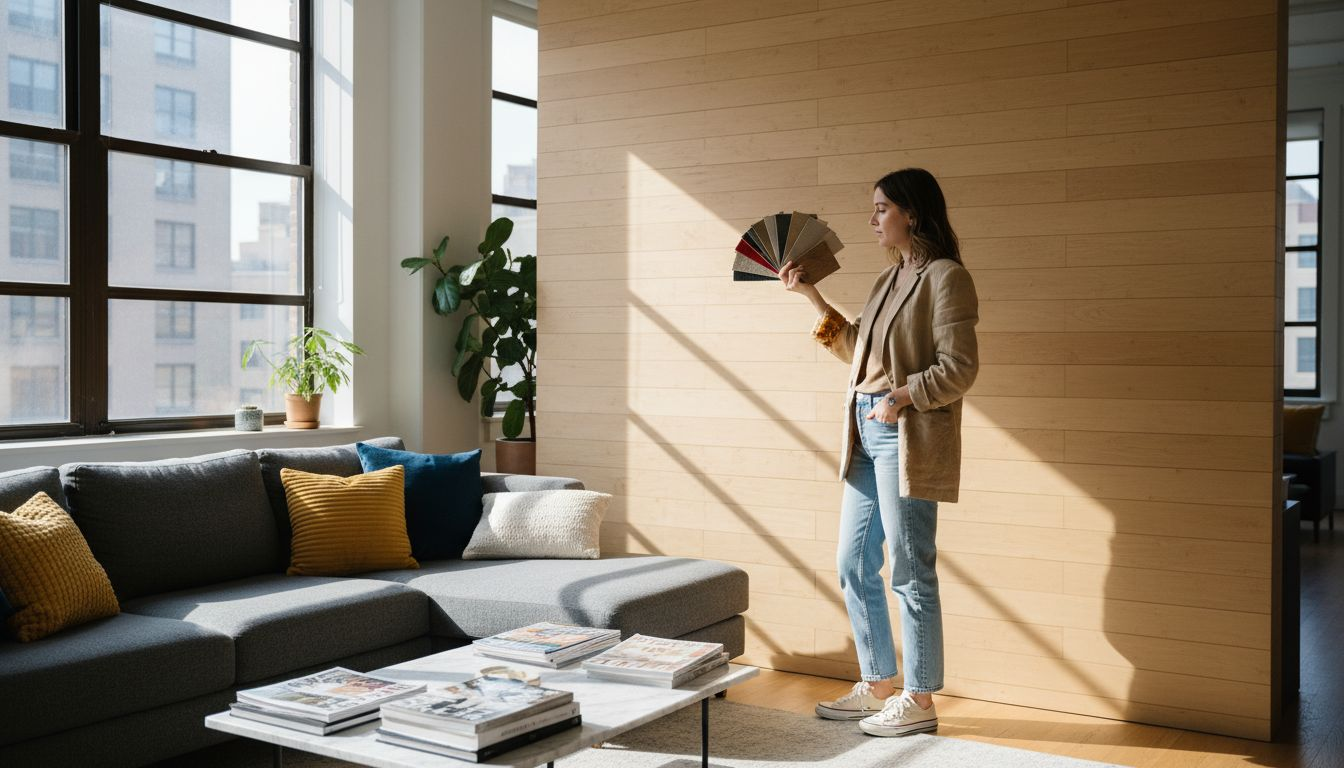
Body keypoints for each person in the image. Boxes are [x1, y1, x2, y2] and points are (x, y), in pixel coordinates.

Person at [780, 168, 978, 737]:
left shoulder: (946, 278)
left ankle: (919, 701)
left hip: (903, 433)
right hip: (864, 432)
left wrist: (903, 397)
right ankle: (879, 682)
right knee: (853, 561)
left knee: (911, 571)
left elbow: (960, 368)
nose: (872, 219)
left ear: (912, 213)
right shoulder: (888, 280)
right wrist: (810, 294)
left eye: (881, 208)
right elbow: (856, 349)